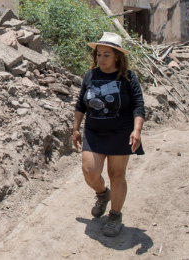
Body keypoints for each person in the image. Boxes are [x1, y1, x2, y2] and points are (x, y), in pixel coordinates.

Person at [72, 31, 145, 237]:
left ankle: (115, 216)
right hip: (94, 132)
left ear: (117, 57)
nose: (101, 58)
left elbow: (139, 106)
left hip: (120, 132)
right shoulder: (90, 75)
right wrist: (76, 128)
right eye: (98, 54)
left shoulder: (128, 78)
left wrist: (136, 130)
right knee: (90, 171)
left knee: (117, 175)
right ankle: (103, 194)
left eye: (106, 55)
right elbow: (80, 104)